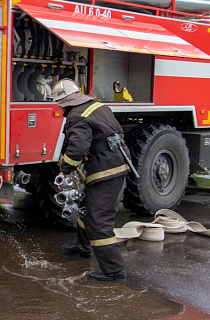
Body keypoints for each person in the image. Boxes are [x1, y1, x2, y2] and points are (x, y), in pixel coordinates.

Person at [52, 78, 130, 281]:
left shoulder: (76, 116)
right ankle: (82, 246)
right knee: (86, 206)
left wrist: (65, 170)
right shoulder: (97, 106)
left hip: (105, 168)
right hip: (116, 159)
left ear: (64, 103)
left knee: (98, 218)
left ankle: (113, 269)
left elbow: (77, 149)